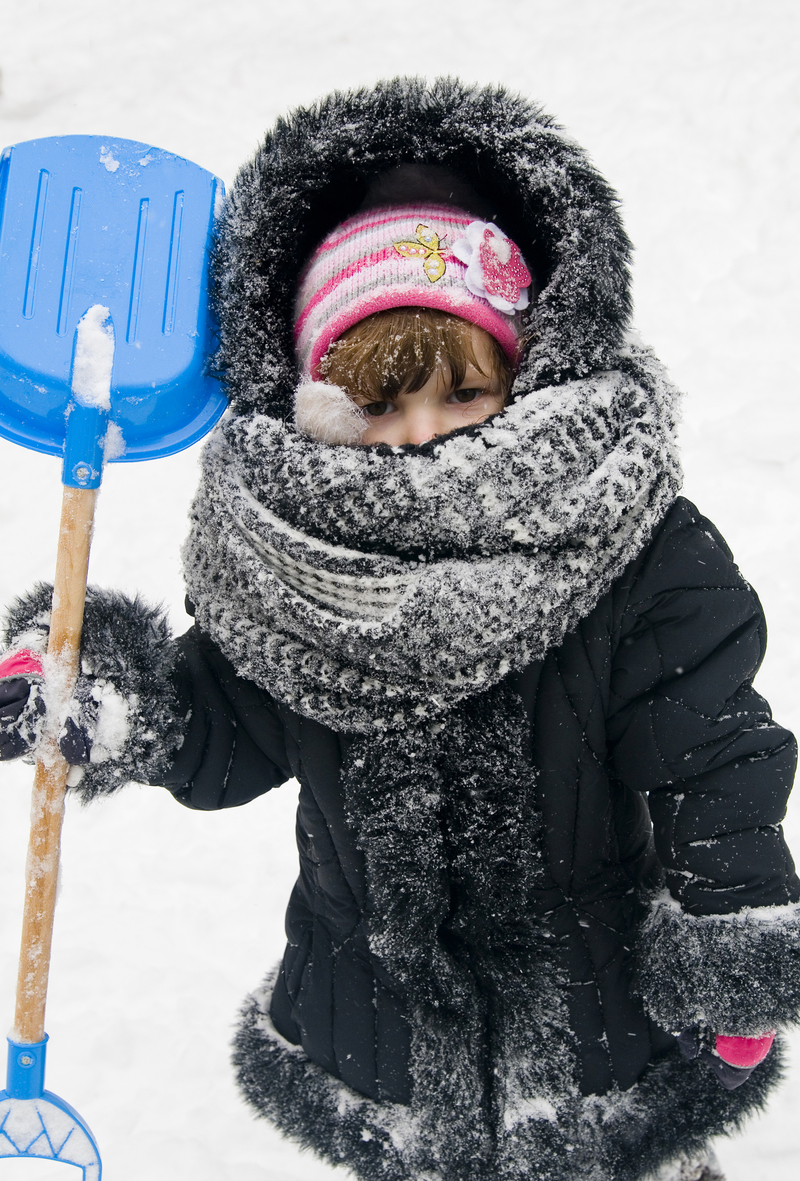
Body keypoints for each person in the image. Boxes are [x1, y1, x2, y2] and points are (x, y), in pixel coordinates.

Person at [2, 78, 800, 1181]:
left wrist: (730, 939)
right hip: (383, 1032)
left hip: (599, 1019)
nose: (420, 432)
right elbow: (220, 729)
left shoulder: (622, 544)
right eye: (377, 402)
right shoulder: (295, 570)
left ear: (522, 370)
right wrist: (108, 695)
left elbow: (708, 751)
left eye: (459, 391)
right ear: (317, 405)